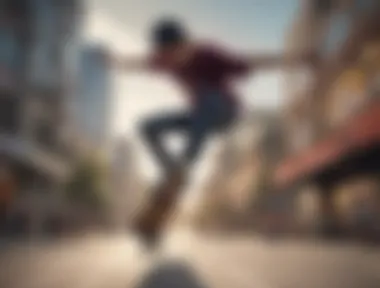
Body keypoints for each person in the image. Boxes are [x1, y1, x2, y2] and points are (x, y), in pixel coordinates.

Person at [108, 18, 317, 180]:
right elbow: (140, 64)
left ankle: (185, 163)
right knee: (147, 126)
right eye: (167, 56)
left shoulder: (210, 55)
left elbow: (254, 61)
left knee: (208, 97)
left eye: (175, 53)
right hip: (200, 117)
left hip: (226, 113)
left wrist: (297, 59)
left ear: (185, 44)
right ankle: (171, 170)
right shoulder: (164, 61)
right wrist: (116, 62)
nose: (172, 60)